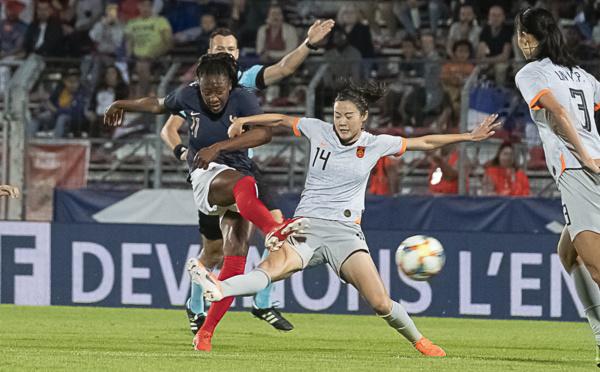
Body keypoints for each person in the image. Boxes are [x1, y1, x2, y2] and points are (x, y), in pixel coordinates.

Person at [188, 79, 500, 354]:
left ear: (364, 117)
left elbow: (427, 141)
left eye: (349, 116)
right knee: (272, 269)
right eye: (337, 115)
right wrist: (245, 119)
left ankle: (420, 340)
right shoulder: (318, 129)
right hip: (306, 225)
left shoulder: (376, 144)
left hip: (345, 234)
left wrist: (469, 137)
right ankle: (218, 288)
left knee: (379, 303)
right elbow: (282, 118)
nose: (341, 122)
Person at [104, 52, 310, 350]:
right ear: (198, 85)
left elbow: (264, 134)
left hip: (238, 183)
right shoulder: (188, 95)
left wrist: (220, 146)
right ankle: (272, 229)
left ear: (230, 85)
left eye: (219, 90)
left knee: (235, 262)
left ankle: (205, 334)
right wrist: (122, 103)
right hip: (207, 178)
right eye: (207, 91)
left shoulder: (242, 99)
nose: (213, 97)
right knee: (245, 183)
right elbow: (157, 104)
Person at [162, 21, 334, 335]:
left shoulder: (245, 79)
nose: (226, 53)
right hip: (211, 177)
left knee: (277, 224)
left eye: (230, 49)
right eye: (219, 49)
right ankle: (195, 303)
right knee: (214, 251)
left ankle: (262, 302)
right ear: (209, 53)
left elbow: (282, 68)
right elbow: (168, 128)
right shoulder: (196, 88)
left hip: (245, 170)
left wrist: (308, 44)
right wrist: (182, 152)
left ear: (237, 52)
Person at [514, 7, 600, 366]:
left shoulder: (531, 72)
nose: (519, 43)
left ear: (526, 38)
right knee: (568, 254)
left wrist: (586, 158)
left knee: (594, 265)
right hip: (595, 166)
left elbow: (558, 116)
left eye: (520, 36)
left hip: (579, 170)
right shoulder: (584, 76)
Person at [124, 0, 172, 97]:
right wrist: (129, 57)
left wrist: (154, 53)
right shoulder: (132, 23)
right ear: (139, 6)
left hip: (156, 57)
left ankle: (142, 95)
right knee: (135, 65)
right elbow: (128, 44)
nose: (145, 8)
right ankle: (139, 96)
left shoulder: (161, 21)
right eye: (143, 5)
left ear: (152, 7)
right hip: (136, 58)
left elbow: (168, 43)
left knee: (144, 64)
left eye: (148, 5)